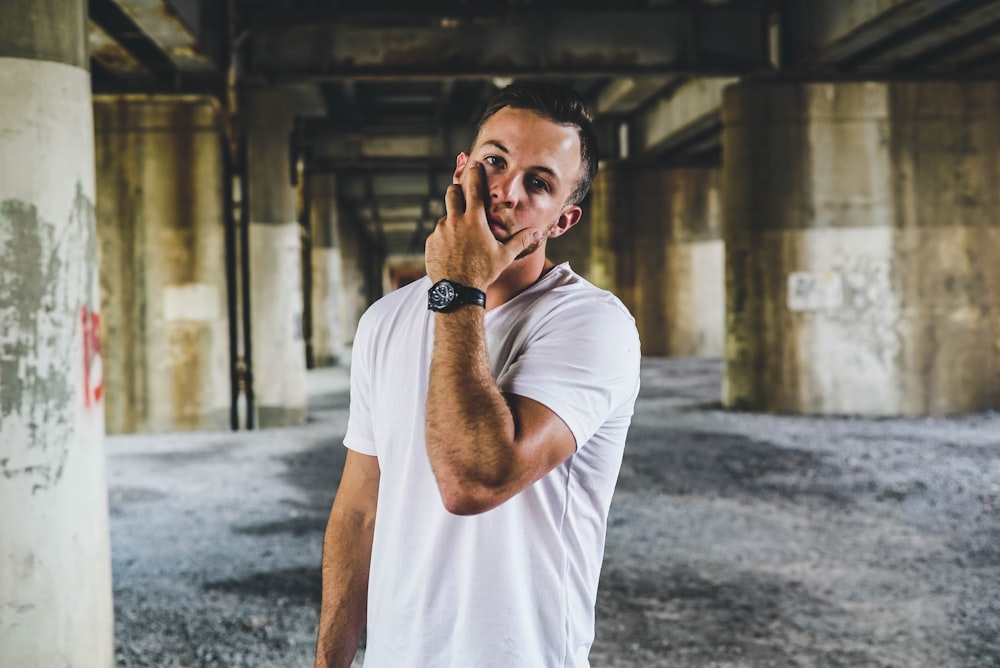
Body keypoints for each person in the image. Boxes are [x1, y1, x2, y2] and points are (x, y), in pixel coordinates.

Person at [314, 81, 641, 668]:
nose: (506, 191)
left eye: (538, 183)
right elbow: (360, 507)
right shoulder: (385, 319)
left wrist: (459, 288)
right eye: (495, 161)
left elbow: (474, 481)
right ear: (463, 169)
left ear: (563, 220)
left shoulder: (593, 325)